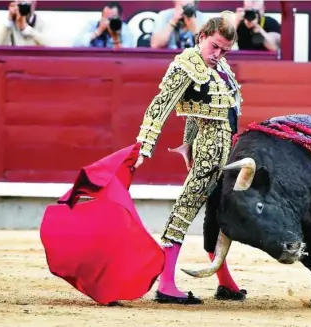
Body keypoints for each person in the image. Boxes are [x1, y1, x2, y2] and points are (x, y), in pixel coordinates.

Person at [133, 11, 244, 305]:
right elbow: (162, 105)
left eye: (224, 50)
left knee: (219, 218)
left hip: (224, 155)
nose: (218, 54)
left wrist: (186, 145)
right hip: (209, 156)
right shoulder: (185, 65)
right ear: (201, 37)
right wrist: (144, 146)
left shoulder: (219, 67)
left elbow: (198, 110)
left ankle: (225, 282)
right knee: (184, 211)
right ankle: (167, 284)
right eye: (215, 47)